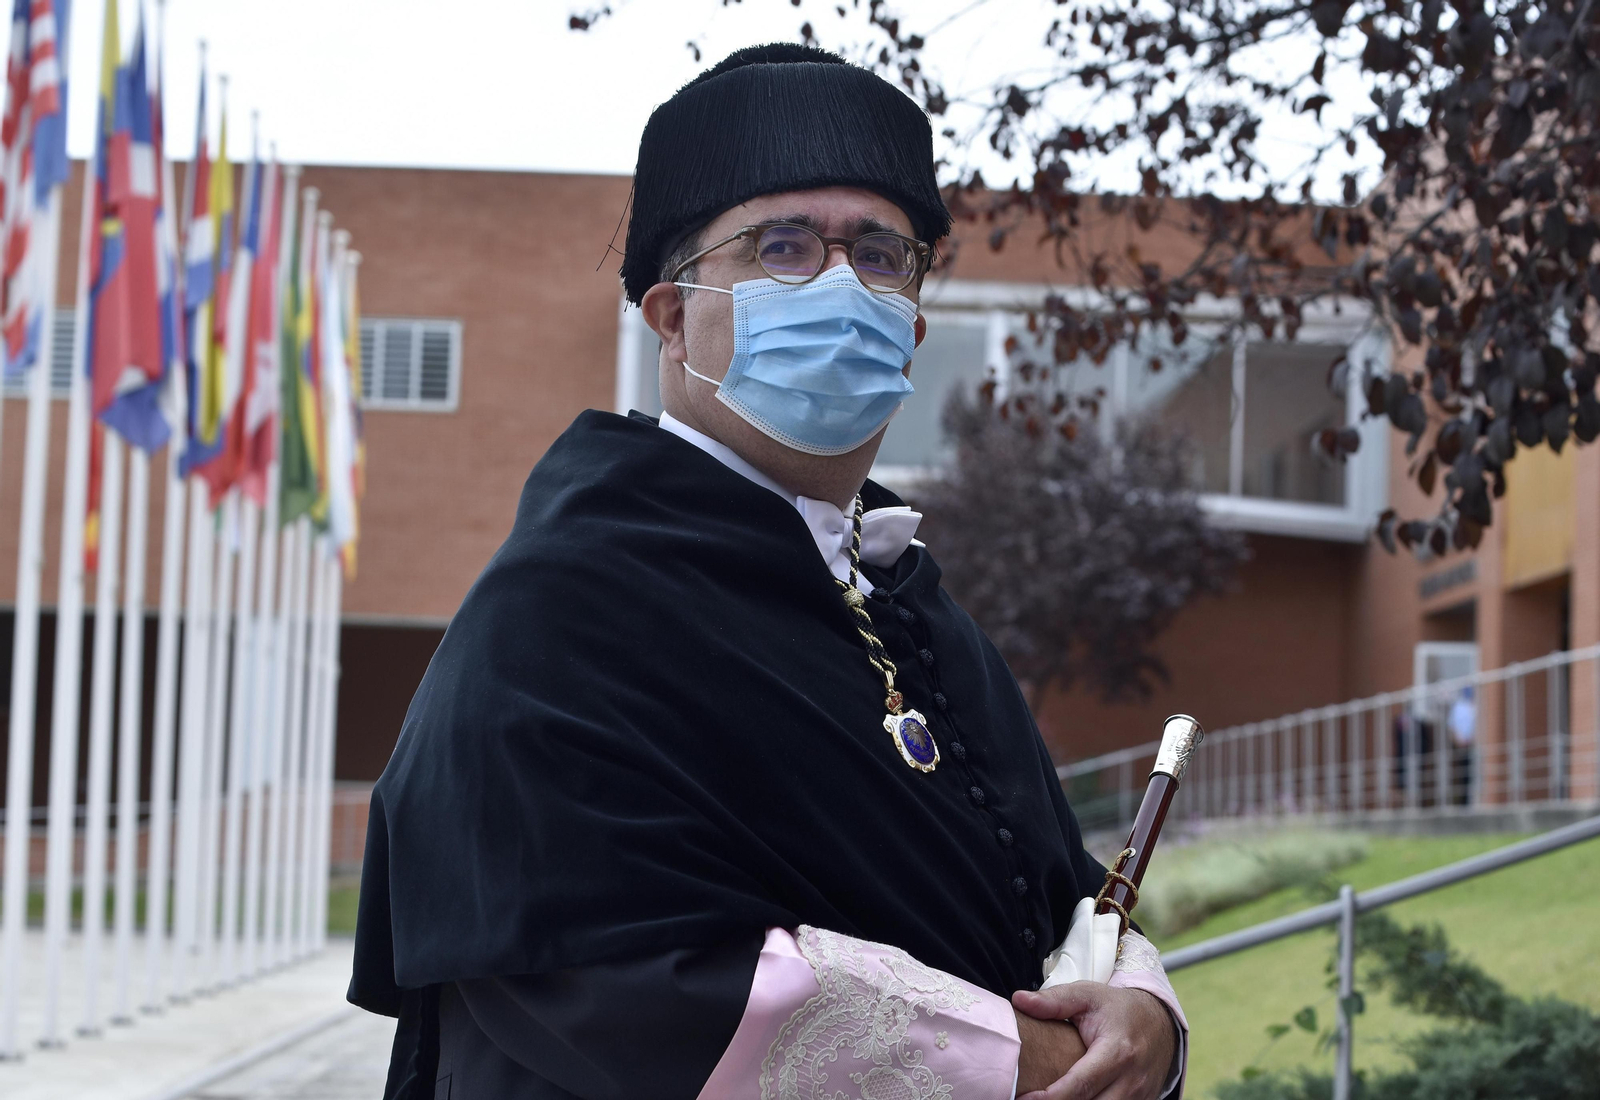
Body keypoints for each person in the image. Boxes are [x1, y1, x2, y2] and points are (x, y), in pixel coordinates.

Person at [349, 44, 1189, 1100]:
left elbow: (1062, 900)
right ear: (671, 313)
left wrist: (1144, 1012)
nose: (842, 283)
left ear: (914, 324)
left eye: (882, 254)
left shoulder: (910, 603)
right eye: (782, 244)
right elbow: (596, 973)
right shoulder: (561, 610)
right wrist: (1013, 1058)